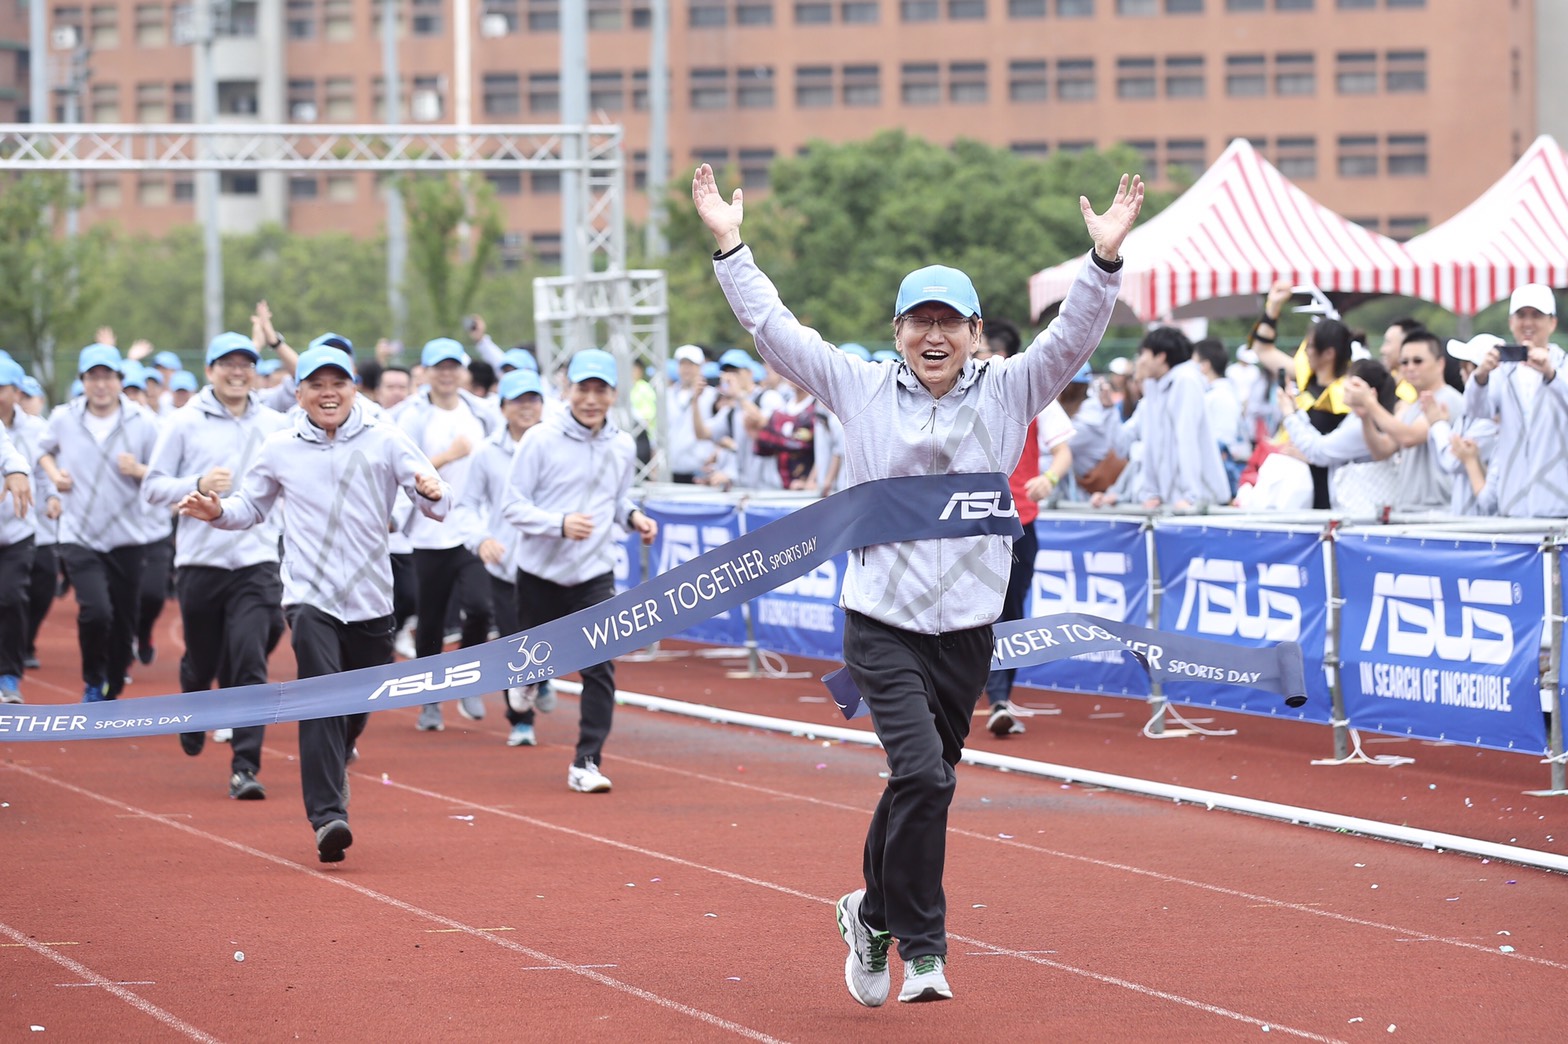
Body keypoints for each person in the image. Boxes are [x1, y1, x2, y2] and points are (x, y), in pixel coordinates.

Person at [692, 162, 1140, 1005]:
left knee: (919, 781)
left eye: (949, 323)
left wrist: (1103, 264)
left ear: (974, 331)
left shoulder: (1011, 391)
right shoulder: (860, 390)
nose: (933, 337)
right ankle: (925, 949)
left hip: (967, 629)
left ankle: (868, 914)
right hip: (881, 624)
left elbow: (1072, 339)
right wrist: (730, 244)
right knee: (928, 778)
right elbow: (777, 331)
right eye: (917, 322)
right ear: (897, 330)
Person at [179, 343, 451, 863]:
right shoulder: (279, 446)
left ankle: (340, 751)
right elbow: (250, 507)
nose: (329, 394)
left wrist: (433, 491)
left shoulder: (386, 439)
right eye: (317, 385)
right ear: (298, 392)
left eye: (338, 384)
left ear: (354, 389)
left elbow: (435, 501)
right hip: (309, 597)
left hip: (372, 599)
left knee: (356, 703)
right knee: (322, 696)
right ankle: (328, 817)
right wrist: (216, 511)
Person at [502, 348, 658, 793]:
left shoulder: (622, 444)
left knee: (600, 666)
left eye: (600, 390)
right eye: (583, 389)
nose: (591, 399)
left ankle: (586, 762)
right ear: (567, 390)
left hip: (593, 573)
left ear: (613, 394)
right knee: (531, 660)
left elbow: (616, 501)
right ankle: (530, 680)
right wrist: (558, 524)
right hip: (538, 571)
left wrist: (633, 519)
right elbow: (512, 506)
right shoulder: (539, 439)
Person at [144, 332, 290, 800]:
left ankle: (245, 766)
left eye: (245, 364)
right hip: (200, 562)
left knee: (250, 659)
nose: (237, 371)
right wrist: (197, 482)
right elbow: (152, 487)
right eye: (227, 364)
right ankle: (194, 707)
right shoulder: (184, 423)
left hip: (256, 560)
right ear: (210, 371)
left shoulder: (275, 423)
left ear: (254, 371)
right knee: (202, 660)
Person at [38, 344, 161, 702]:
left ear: (120, 380)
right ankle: (93, 678)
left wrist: (138, 470)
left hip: (127, 536)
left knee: (123, 620)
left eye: (108, 376)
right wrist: (53, 477)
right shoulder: (64, 418)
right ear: (83, 381)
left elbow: (166, 470)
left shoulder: (143, 421)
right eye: (93, 377)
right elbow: (43, 450)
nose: (101, 384)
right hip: (80, 534)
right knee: (95, 612)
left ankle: (115, 680)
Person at [973, 318, 1074, 737]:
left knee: (1010, 611)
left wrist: (1048, 479)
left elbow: (1063, 452)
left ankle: (999, 698)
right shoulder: (951, 390)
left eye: (981, 352)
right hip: (963, 524)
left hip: (1018, 522)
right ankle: (965, 691)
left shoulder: (1032, 392)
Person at [396, 337, 501, 732]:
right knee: (432, 619)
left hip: (472, 529)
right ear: (425, 372)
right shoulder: (413, 418)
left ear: (463, 371)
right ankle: (429, 697)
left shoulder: (482, 413)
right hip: (428, 533)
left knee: (480, 608)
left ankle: (468, 681)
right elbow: (405, 470)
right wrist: (446, 457)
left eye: (453, 367)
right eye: (438, 367)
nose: (446, 374)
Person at [452, 367, 553, 748]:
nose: (526, 408)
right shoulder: (486, 454)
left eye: (533, 400)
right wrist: (481, 539)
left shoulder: (557, 446)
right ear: (503, 406)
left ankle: (541, 680)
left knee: (551, 638)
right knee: (516, 641)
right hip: (506, 565)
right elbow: (466, 507)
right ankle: (521, 719)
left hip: (553, 564)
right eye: (518, 401)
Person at [1460, 283, 1568, 518]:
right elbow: (1476, 411)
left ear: (1552, 322)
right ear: (1511, 322)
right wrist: (1481, 376)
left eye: (1536, 315)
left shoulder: (1563, 365)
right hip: (1513, 504)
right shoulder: (1501, 370)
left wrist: (1550, 374)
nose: (1528, 323)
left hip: (1559, 503)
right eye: (1521, 315)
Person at [1355, 329, 1467, 515]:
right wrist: (1366, 417)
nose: (1409, 368)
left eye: (1418, 361)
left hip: (1440, 511)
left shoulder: (1447, 399)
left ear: (1440, 364)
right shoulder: (1411, 407)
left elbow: (1409, 436)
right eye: (1404, 362)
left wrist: (1369, 403)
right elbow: (1382, 450)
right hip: (1409, 509)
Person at [1277, 359, 1400, 517]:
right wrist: (1295, 410)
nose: (1344, 386)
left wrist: (1288, 415)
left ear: (1371, 392)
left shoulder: (1363, 424)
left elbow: (1318, 451)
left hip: (1359, 516)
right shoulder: (1359, 418)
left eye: (1352, 382)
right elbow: (1322, 444)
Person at [0, 358, 41, 704]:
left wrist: (16, 471)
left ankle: (9, 676)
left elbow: (11, 453)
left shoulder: (35, 429)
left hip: (17, 531)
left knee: (11, 598)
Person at [666, 344, 717, 483]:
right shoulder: (667, 395)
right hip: (671, 470)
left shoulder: (712, 396)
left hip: (700, 472)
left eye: (691, 364)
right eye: (683, 364)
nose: (686, 369)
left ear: (700, 367)